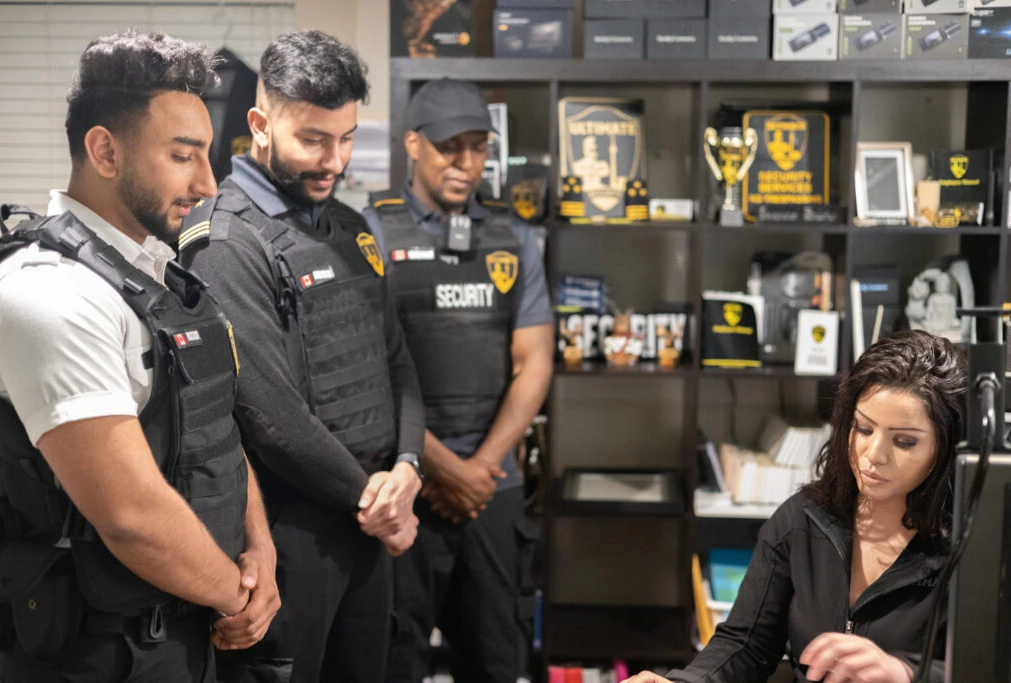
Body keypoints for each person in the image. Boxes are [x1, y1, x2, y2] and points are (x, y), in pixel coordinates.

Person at [0, 30, 279, 682]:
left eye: (208, 155)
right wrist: (237, 593)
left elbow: (214, 428)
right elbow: (131, 516)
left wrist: (259, 550)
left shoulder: (154, 273)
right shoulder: (50, 293)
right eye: (183, 156)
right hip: (98, 653)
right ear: (104, 151)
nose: (208, 182)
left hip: (189, 629)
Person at [177, 30, 424, 682]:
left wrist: (407, 464)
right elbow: (267, 412)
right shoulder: (226, 239)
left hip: (368, 526)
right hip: (290, 535)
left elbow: (396, 358)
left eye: (346, 139)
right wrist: (373, 499)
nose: (334, 161)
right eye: (313, 139)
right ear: (260, 124)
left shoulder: (350, 227)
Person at [624, 329, 967, 683]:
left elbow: (995, 666)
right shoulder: (802, 519)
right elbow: (746, 643)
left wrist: (908, 673)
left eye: (905, 441)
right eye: (863, 429)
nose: (874, 455)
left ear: (946, 449)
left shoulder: (971, 543)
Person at [363, 77, 554, 682]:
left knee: (497, 658)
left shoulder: (515, 238)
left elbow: (534, 361)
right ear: (413, 144)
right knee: (394, 657)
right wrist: (440, 467)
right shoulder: (367, 232)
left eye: (478, 147)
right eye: (451, 147)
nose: (467, 164)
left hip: (490, 491)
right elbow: (366, 372)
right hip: (400, 482)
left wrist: (480, 471)